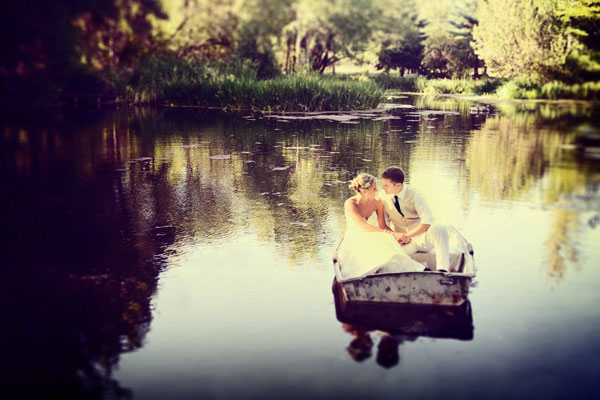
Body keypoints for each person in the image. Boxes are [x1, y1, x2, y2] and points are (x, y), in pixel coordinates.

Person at [337, 173, 426, 278]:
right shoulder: (350, 204)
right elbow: (364, 227)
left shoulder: (378, 201)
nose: (377, 191)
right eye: (374, 189)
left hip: (374, 235)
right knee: (378, 239)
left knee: (387, 239)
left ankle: (410, 270)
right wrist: (391, 234)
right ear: (364, 191)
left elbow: (382, 226)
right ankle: (367, 275)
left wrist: (397, 235)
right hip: (355, 237)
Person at [380, 166, 452, 272]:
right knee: (387, 256)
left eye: (386, 185)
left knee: (440, 229)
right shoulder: (383, 197)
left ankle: (443, 270)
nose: (383, 188)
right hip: (403, 243)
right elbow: (384, 225)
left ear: (398, 185)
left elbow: (427, 221)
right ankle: (423, 270)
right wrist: (397, 237)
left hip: (422, 239)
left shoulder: (416, 194)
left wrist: (407, 236)